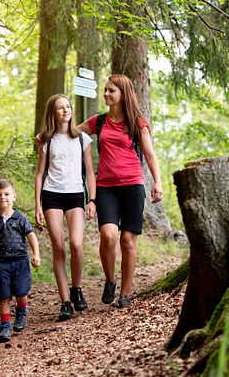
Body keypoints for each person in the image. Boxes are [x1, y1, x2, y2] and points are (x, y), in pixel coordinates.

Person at [77, 74, 163, 308]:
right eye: (105, 90)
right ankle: (110, 280)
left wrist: (157, 182)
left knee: (127, 240)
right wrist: (48, 134)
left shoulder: (137, 123)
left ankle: (125, 293)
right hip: (106, 188)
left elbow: (150, 155)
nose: (106, 94)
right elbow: (73, 132)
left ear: (123, 94)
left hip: (133, 186)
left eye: (111, 91)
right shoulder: (99, 122)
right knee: (109, 236)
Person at [34, 94, 96, 321]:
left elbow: (90, 172)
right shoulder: (45, 139)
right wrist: (37, 205)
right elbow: (40, 174)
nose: (65, 110)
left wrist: (92, 200)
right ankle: (65, 302)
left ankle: (77, 288)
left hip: (75, 194)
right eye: (60, 108)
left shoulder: (82, 139)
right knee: (58, 246)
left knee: (76, 244)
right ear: (53, 112)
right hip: (52, 195)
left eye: (68, 106)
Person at [0, 180, 41, 342]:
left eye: (6, 194)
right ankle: (5, 325)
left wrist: (36, 254)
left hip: (20, 261)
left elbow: (31, 236)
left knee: (21, 293)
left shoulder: (20, 218)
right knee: (3, 295)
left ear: (14, 197)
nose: (3, 198)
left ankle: (21, 311)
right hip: (1, 263)